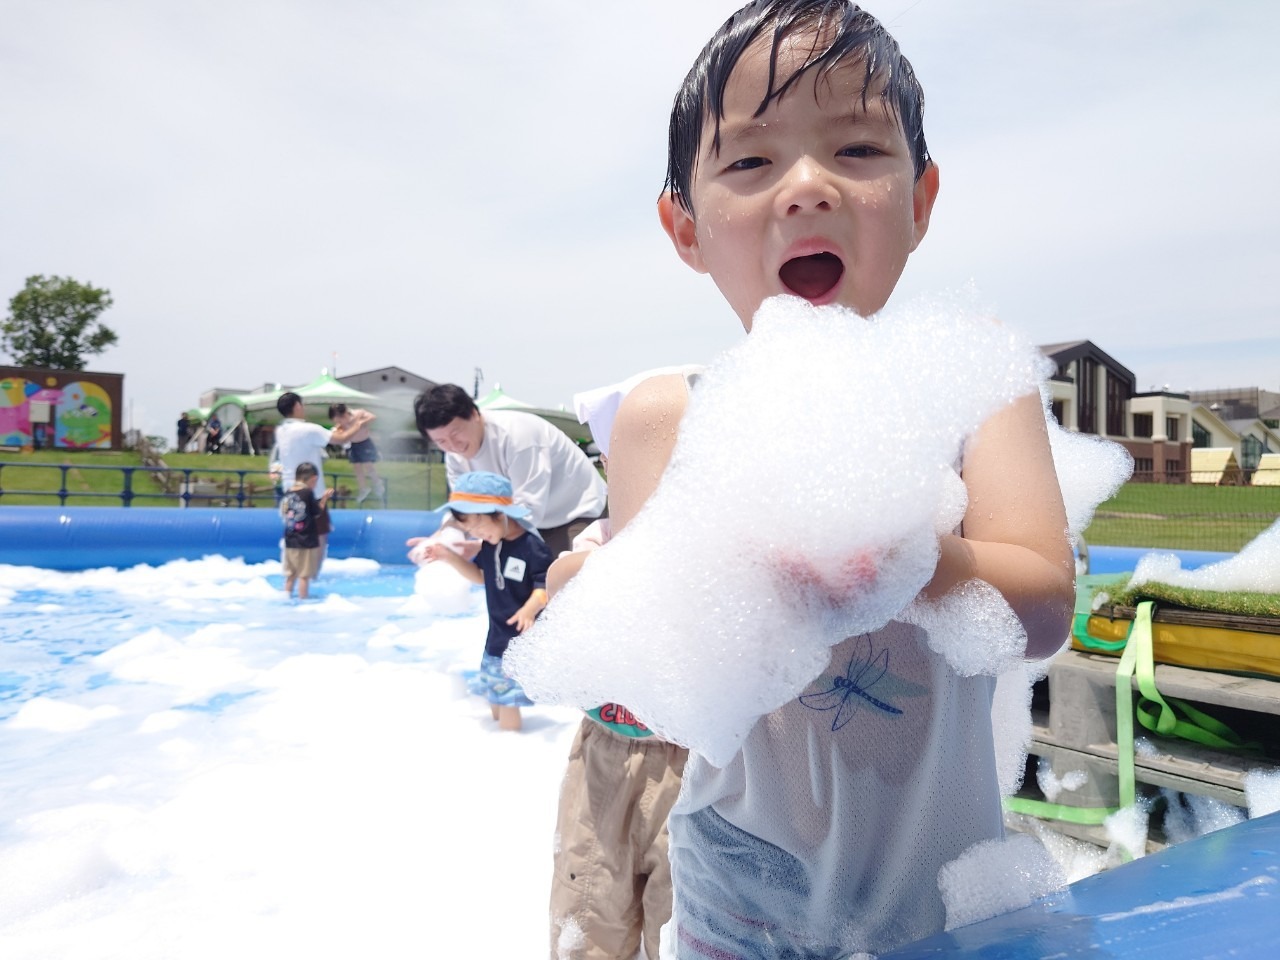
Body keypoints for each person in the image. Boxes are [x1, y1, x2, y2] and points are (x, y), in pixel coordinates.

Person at [596, 3, 1075, 957]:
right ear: (683, 228)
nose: (808, 187)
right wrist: (597, 605)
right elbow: (646, 683)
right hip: (740, 870)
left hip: (941, 872)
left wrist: (909, 560)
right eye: (749, 162)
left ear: (921, 199)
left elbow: (1044, 605)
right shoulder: (666, 417)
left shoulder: (976, 382)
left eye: (857, 149)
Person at [546, 372, 699, 960]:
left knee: (683, 915)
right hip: (608, 745)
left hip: (696, 760)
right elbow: (567, 588)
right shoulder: (598, 543)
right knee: (587, 910)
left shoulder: (726, 547)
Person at [416, 471, 552, 732]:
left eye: (478, 527)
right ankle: (495, 738)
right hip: (497, 636)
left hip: (520, 642)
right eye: (469, 530)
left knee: (509, 700)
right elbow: (480, 577)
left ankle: (509, 742)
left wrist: (529, 609)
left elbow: (545, 584)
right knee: (493, 692)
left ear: (500, 515)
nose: (474, 534)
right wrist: (448, 556)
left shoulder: (532, 547)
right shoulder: (491, 544)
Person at [414, 384, 607, 557]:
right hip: (522, 519)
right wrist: (442, 540)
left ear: (474, 414)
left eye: (455, 434)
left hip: (576, 512)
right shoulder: (454, 455)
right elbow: (464, 507)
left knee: (565, 580)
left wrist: (482, 541)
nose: (453, 446)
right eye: (441, 441)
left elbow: (529, 508)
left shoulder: (519, 436)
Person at [273, 391, 372, 569]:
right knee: (319, 536)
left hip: (289, 491)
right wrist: (358, 424)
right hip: (312, 493)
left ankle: (292, 576)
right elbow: (341, 440)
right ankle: (312, 577)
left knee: (295, 535)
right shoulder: (309, 429)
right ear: (297, 406)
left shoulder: (281, 431)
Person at [279, 461, 332, 600]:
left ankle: (286, 597)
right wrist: (324, 498)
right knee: (304, 576)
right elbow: (317, 512)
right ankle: (304, 601)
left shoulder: (287, 492)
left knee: (291, 574)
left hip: (290, 539)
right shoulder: (308, 493)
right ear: (313, 479)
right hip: (306, 541)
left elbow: (284, 512)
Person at [328, 403, 384, 505]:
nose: (339, 422)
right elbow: (338, 428)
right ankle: (363, 488)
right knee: (357, 467)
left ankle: (377, 484)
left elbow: (373, 417)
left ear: (345, 414)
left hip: (364, 442)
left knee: (368, 465)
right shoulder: (341, 423)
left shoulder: (358, 413)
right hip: (353, 445)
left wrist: (361, 422)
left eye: (340, 420)